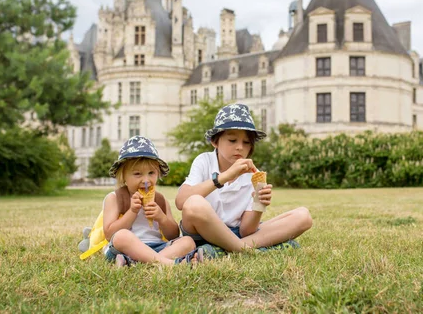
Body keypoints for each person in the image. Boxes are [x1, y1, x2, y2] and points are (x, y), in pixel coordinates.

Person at [175, 103, 313, 254]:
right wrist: (224, 177)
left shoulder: (254, 175)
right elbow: (182, 202)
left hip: (237, 234)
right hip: (201, 232)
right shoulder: (204, 161)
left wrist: (259, 204)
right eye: (232, 140)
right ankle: (245, 250)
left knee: (303, 216)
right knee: (195, 203)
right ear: (215, 141)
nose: (240, 147)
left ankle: (221, 251)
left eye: (246, 142)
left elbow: (247, 230)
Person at [103, 135, 203, 267]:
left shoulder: (160, 200)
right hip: (124, 249)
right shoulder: (115, 198)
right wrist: (132, 212)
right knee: (122, 236)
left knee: (188, 241)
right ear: (123, 176)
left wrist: (161, 217)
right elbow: (110, 234)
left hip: (157, 247)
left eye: (151, 173)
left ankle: (139, 263)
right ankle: (170, 264)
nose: (146, 180)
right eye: (137, 174)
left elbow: (172, 235)